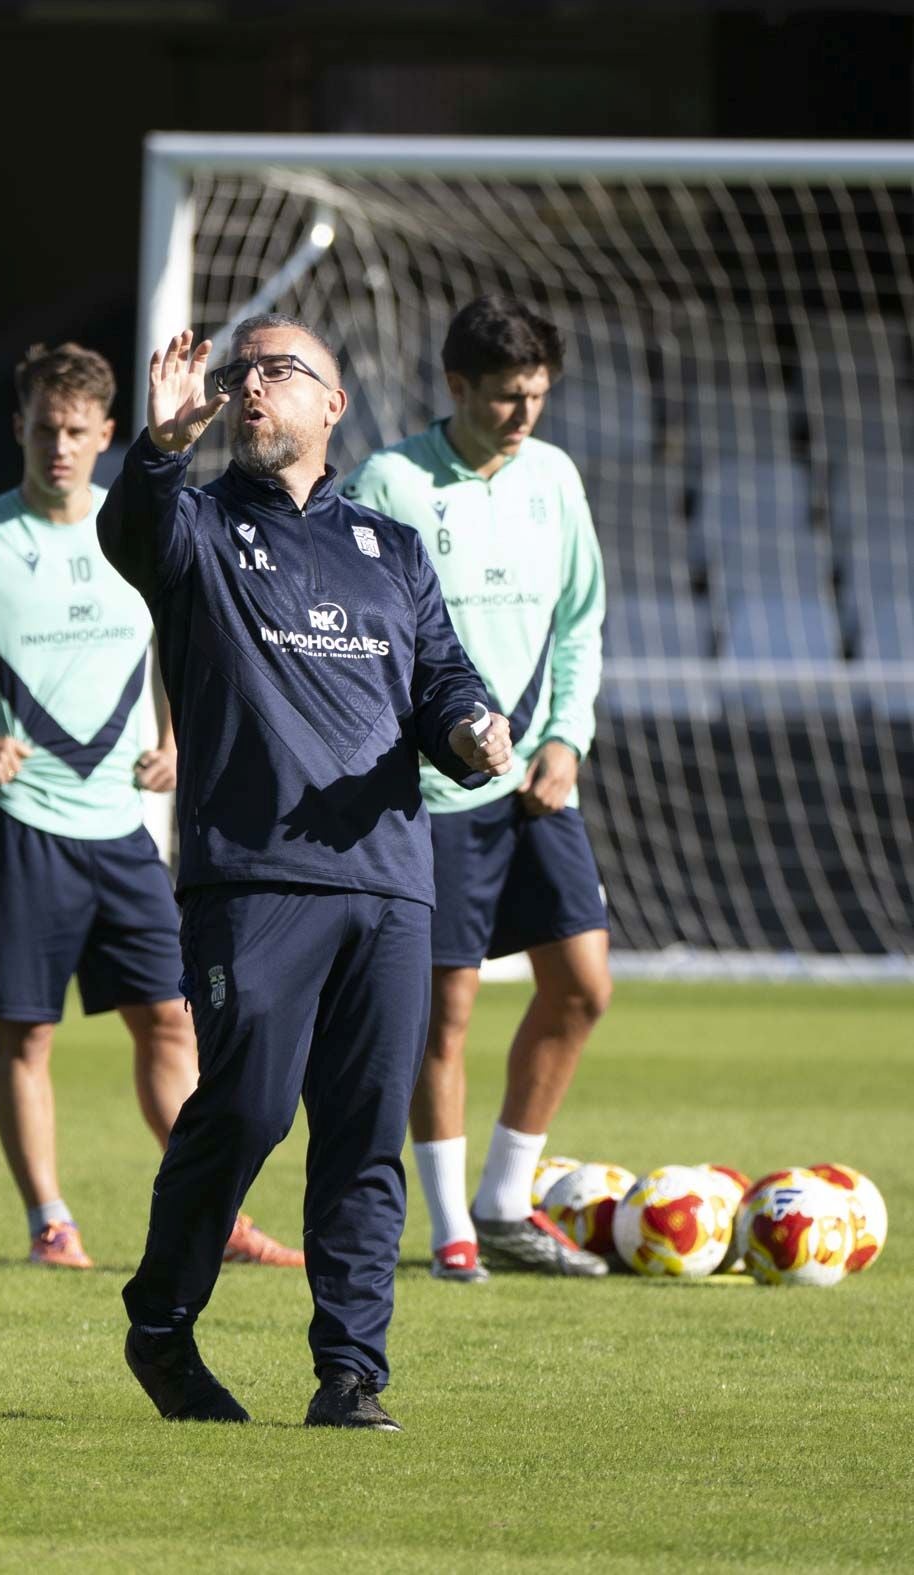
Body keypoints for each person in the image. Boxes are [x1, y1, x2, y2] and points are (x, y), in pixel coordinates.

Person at [97, 315, 511, 1430]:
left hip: (389, 882)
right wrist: (157, 449)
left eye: (281, 371)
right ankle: (161, 1327)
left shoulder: (392, 549)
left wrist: (474, 726)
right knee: (249, 1108)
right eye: (244, 373)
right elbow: (128, 534)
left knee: (368, 1132)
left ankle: (352, 1374)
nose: (253, 387)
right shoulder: (194, 524)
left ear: (333, 405)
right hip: (253, 880)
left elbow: (442, 678)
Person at [0, 341, 302, 1273]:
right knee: (30, 1030)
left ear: (107, 434)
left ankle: (215, 1218)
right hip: (19, 824)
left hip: (122, 829)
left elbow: (177, 633)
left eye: (76, 432)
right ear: (18, 428)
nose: (59, 446)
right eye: (43, 429)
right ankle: (51, 1223)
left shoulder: (133, 523)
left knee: (171, 1020)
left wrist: (175, 737)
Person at [342, 294, 612, 1283]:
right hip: (434, 791)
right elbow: (365, 637)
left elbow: (581, 622)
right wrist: (444, 736)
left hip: (541, 783)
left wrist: (566, 743)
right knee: (444, 1013)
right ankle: (452, 1225)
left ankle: (507, 1201)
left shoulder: (555, 478)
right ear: (456, 387)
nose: (524, 414)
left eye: (537, 395)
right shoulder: (393, 482)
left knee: (582, 989)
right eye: (505, 397)